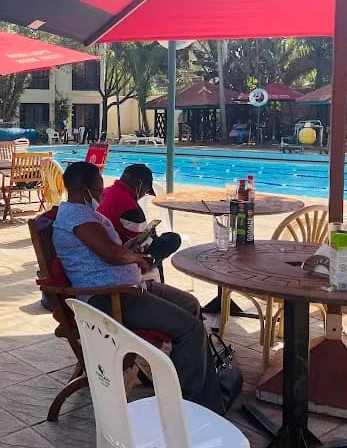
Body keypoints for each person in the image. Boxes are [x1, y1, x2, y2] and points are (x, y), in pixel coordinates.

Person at [52, 161, 223, 414]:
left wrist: (129, 249)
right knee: (190, 328)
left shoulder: (84, 215)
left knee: (191, 304)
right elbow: (111, 254)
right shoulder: (77, 217)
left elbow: (110, 250)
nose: (101, 194)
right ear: (83, 190)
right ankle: (192, 407)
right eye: (98, 191)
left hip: (126, 285)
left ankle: (193, 383)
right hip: (110, 298)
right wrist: (136, 258)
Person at [97, 164, 181, 261]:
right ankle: (150, 267)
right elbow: (139, 244)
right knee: (172, 239)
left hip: (102, 245)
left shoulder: (106, 191)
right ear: (139, 184)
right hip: (119, 253)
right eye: (146, 191)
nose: (143, 195)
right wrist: (149, 235)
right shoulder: (130, 206)